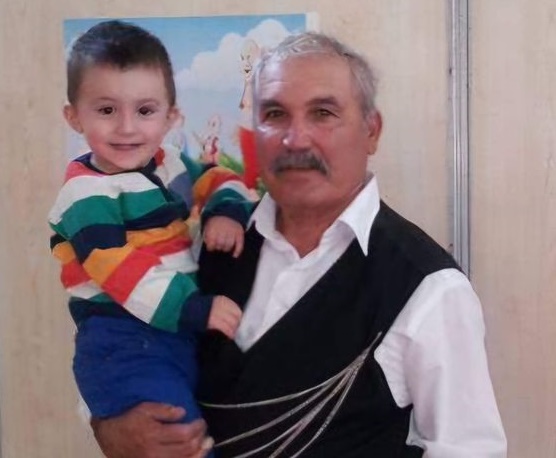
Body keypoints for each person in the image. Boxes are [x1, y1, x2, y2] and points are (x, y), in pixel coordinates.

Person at [91, 31, 508, 457]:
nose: (295, 139)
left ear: (371, 131)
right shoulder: (203, 245)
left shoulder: (427, 286)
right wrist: (109, 428)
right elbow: (126, 348)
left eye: (323, 113)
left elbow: (468, 450)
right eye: (275, 114)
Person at [48, 20, 254, 450]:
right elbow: (118, 270)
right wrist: (194, 309)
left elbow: (221, 178)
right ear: (74, 116)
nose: (127, 128)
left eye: (145, 111)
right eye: (107, 110)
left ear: (171, 116)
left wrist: (225, 212)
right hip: (122, 339)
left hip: (172, 333)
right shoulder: (85, 194)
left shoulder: (170, 163)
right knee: (180, 439)